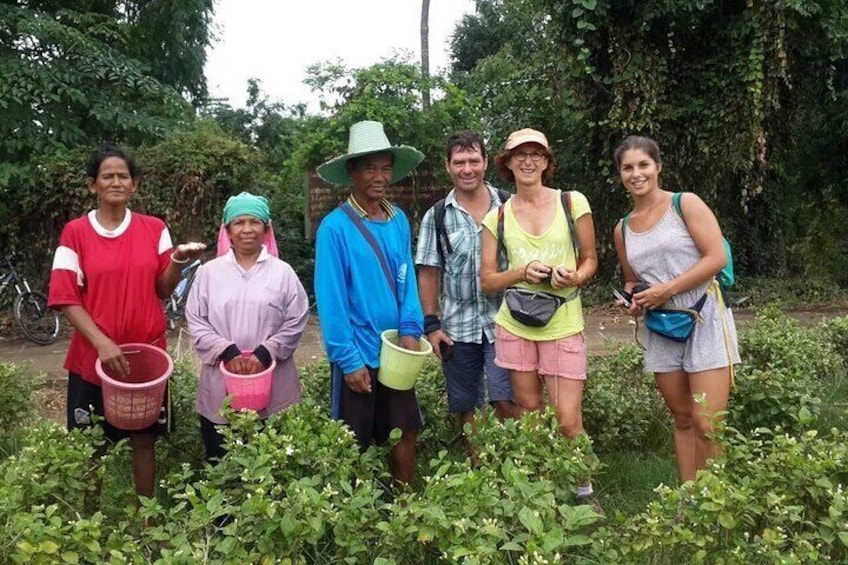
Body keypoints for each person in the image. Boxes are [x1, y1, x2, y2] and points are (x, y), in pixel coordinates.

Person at [47, 143, 206, 500]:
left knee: (144, 439)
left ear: (134, 184)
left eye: (124, 176)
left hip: (145, 358)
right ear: (93, 185)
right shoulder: (75, 233)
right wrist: (102, 343)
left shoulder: (154, 229)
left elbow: (162, 290)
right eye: (108, 176)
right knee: (92, 444)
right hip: (92, 360)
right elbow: (65, 295)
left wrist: (178, 261)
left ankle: (147, 525)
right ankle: (92, 526)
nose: (116, 182)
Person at [479, 128, 599, 504]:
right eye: (520, 155)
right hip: (516, 325)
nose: (528, 161)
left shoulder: (571, 202)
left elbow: (591, 259)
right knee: (530, 412)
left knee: (567, 419)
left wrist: (575, 276)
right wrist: (521, 271)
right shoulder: (496, 216)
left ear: (547, 162)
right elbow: (487, 280)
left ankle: (583, 489)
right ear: (507, 163)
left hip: (563, 321)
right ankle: (544, 489)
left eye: (536, 154)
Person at [612, 135, 739, 483]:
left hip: (704, 316)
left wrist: (666, 289)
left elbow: (717, 258)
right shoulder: (622, 229)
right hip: (662, 326)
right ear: (620, 174)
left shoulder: (686, 205)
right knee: (682, 417)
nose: (636, 174)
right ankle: (687, 501)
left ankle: (713, 506)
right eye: (628, 167)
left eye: (643, 165)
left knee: (707, 422)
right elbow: (632, 278)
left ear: (658, 167)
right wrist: (631, 298)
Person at [314, 120, 425, 485]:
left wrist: (411, 329)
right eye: (370, 168)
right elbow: (331, 299)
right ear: (352, 172)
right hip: (358, 352)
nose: (379, 177)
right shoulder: (334, 228)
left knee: (405, 429)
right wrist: (347, 360)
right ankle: (354, 518)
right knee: (353, 440)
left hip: (397, 352)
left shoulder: (398, 222)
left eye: (385, 168)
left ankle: (404, 505)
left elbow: (407, 279)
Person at [185, 192, 309, 463]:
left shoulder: (283, 273)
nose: (247, 230)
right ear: (227, 230)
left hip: (274, 384)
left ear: (266, 228)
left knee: (272, 465)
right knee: (223, 464)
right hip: (221, 385)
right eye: (239, 222)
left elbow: (297, 318)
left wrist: (265, 352)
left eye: (254, 222)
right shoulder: (209, 273)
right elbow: (196, 319)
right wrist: (227, 351)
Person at [415, 130, 515, 458]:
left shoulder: (509, 206)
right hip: (458, 327)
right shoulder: (438, 215)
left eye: (474, 160)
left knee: (505, 400)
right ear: (448, 167)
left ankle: (515, 469)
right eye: (459, 162)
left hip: (505, 321)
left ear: (486, 162)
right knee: (467, 405)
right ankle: (480, 470)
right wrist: (432, 326)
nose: (467, 168)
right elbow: (429, 271)